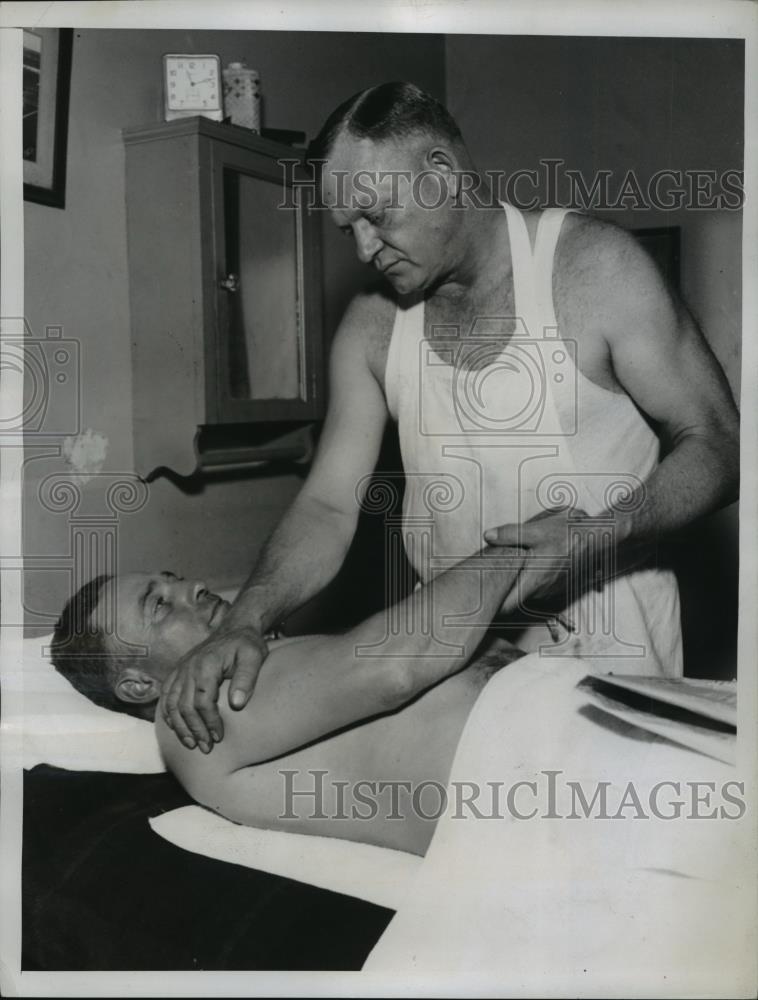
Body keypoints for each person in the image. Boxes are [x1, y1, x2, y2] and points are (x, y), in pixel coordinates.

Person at [162, 81, 740, 752]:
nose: (364, 248)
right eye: (347, 229)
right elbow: (327, 505)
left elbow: (722, 443)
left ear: (440, 174)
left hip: (615, 672)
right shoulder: (372, 328)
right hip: (463, 673)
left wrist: (595, 535)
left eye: (376, 215)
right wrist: (245, 619)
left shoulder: (597, 269)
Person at [51, 549, 527, 855]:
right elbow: (395, 665)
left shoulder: (245, 661)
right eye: (159, 605)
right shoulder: (188, 712)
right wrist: (517, 548)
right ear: (138, 686)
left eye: (174, 579)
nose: (192, 587)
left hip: (555, 739)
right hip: (534, 784)